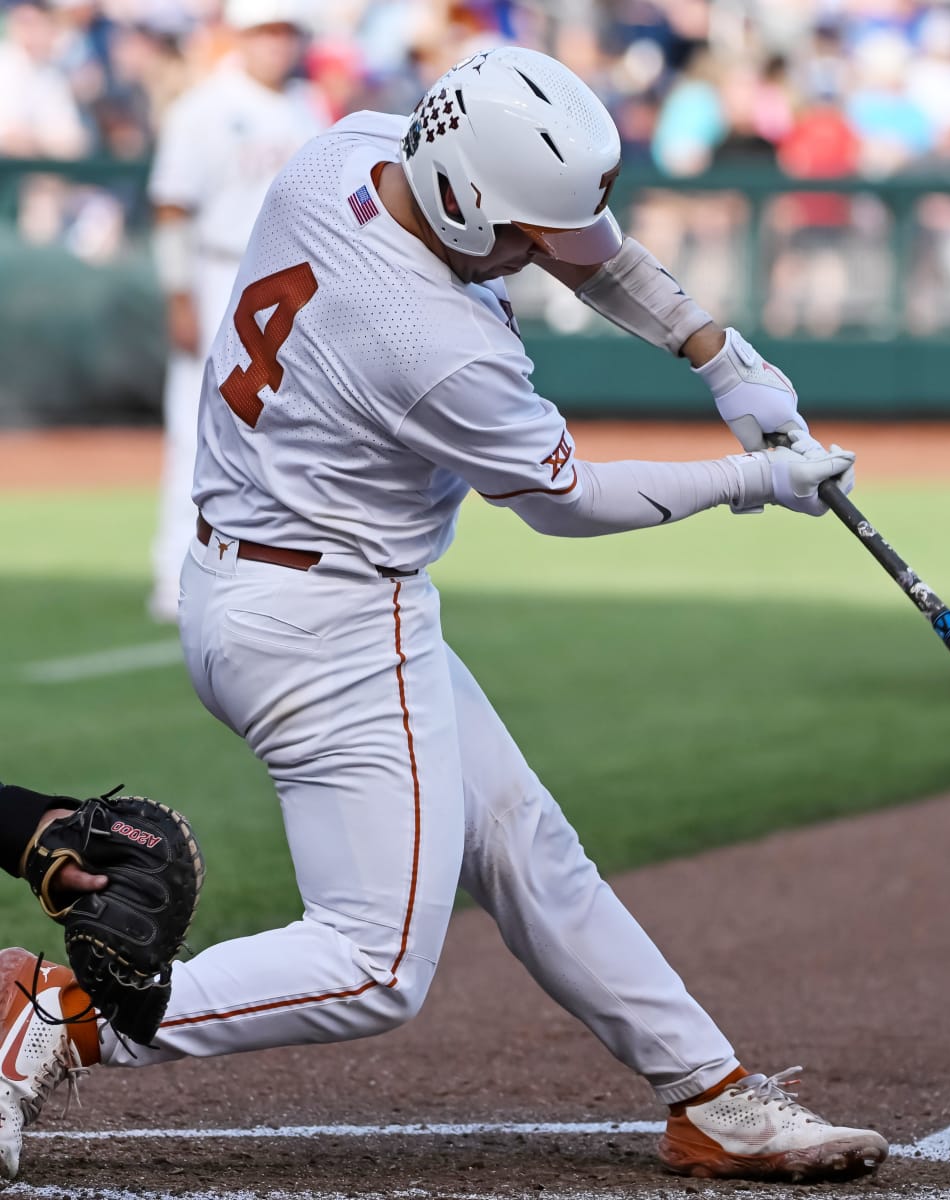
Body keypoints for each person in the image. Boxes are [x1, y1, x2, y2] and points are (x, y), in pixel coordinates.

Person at [0, 46, 886, 1185]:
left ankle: (709, 1096)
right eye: (519, 234)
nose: (539, 258)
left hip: (269, 586)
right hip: (326, 625)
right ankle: (57, 1017)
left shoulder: (353, 149)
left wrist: (718, 352)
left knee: (525, 843)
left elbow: (583, 246)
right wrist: (752, 480)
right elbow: (567, 504)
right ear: (468, 197)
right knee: (372, 966)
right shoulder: (430, 342)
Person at [147, 0, 325, 622]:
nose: (279, 43)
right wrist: (179, 295)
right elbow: (171, 206)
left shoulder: (307, 106)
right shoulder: (205, 107)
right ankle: (173, 570)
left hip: (291, 284)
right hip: (218, 267)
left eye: (287, 32)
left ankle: (265, 570)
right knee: (192, 425)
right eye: (268, 30)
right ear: (241, 35)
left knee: (280, 429)